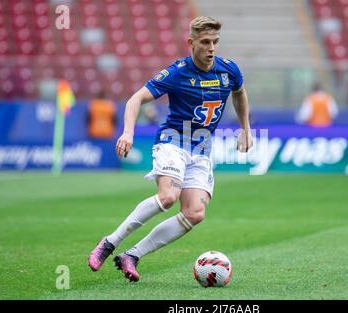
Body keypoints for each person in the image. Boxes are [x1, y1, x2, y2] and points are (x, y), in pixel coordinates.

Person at [88, 16, 253, 282]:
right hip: (172, 141)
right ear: (191, 43)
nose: (211, 48)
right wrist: (128, 132)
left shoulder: (228, 70)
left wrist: (245, 128)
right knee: (168, 197)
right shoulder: (178, 72)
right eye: (205, 42)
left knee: (195, 213)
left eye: (215, 42)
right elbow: (136, 98)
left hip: (201, 149)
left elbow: (240, 93)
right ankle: (109, 243)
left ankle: (132, 255)